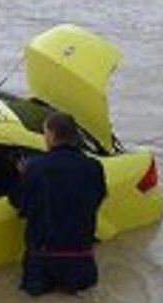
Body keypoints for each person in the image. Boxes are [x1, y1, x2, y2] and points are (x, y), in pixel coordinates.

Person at [9, 111, 107, 296]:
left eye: (45, 133)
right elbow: (98, 197)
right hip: (81, 260)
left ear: (52, 135)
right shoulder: (94, 167)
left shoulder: (34, 168)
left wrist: (24, 177)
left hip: (42, 263)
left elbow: (16, 201)